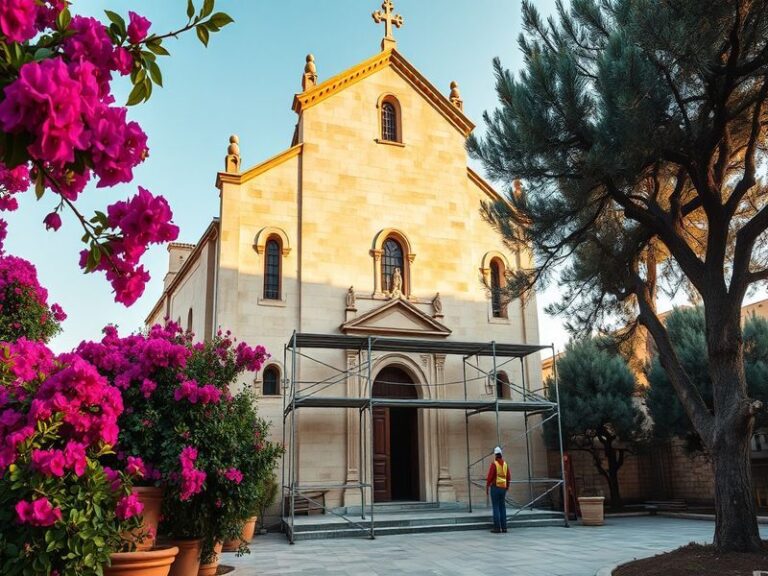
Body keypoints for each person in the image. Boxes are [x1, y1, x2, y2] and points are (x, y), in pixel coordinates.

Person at [486, 446, 510, 533]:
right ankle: (504, 527)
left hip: (495, 488)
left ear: (495, 455)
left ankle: (497, 528)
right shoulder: (505, 464)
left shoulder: (494, 464)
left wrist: (487, 486)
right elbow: (508, 477)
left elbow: (490, 476)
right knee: (502, 507)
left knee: (496, 507)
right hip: (503, 488)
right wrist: (506, 487)